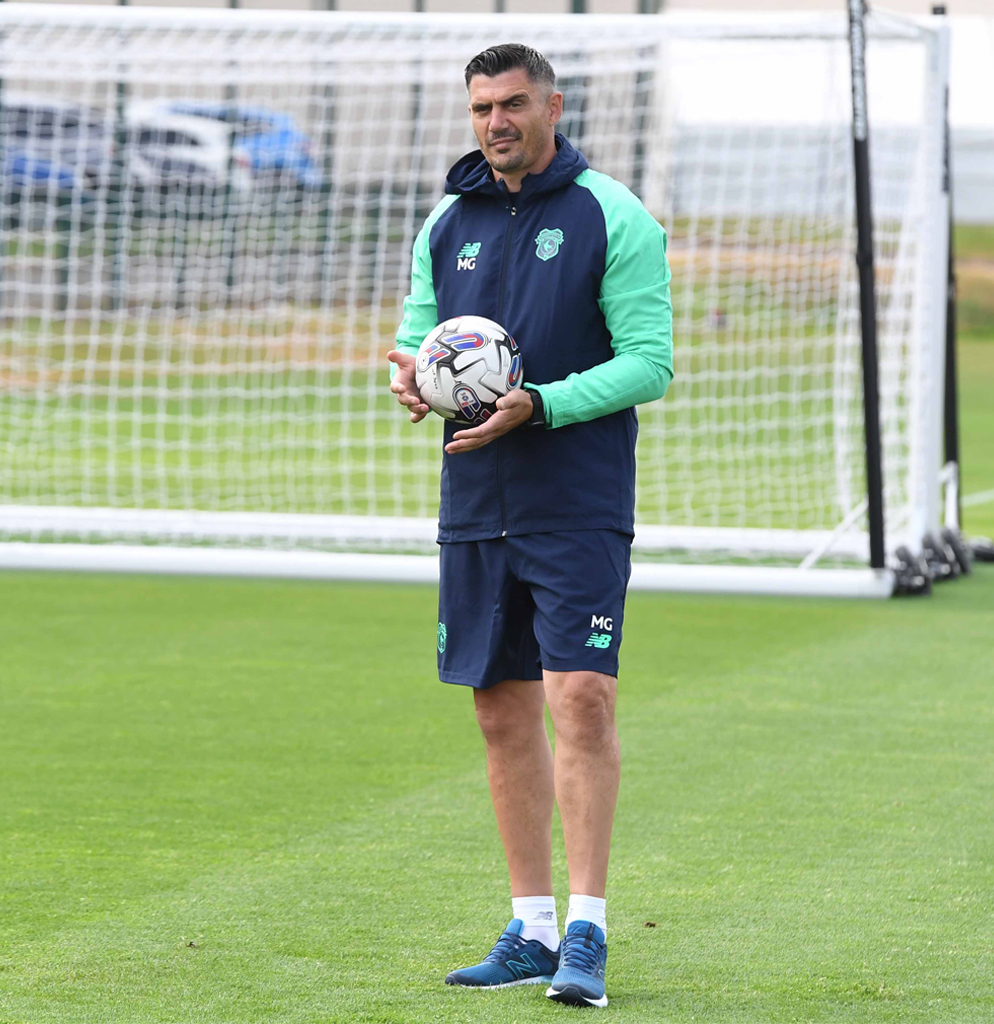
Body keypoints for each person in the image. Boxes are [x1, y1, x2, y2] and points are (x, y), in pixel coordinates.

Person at [387, 42, 673, 1009]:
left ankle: (587, 931)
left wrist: (541, 404)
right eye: (480, 109)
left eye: (512, 104)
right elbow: (422, 326)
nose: (495, 123)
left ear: (553, 105)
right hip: (476, 499)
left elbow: (649, 362)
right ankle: (531, 929)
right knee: (497, 706)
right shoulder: (447, 216)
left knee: (581, 696)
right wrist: (409, 373)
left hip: (576, 497)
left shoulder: (613, 214)